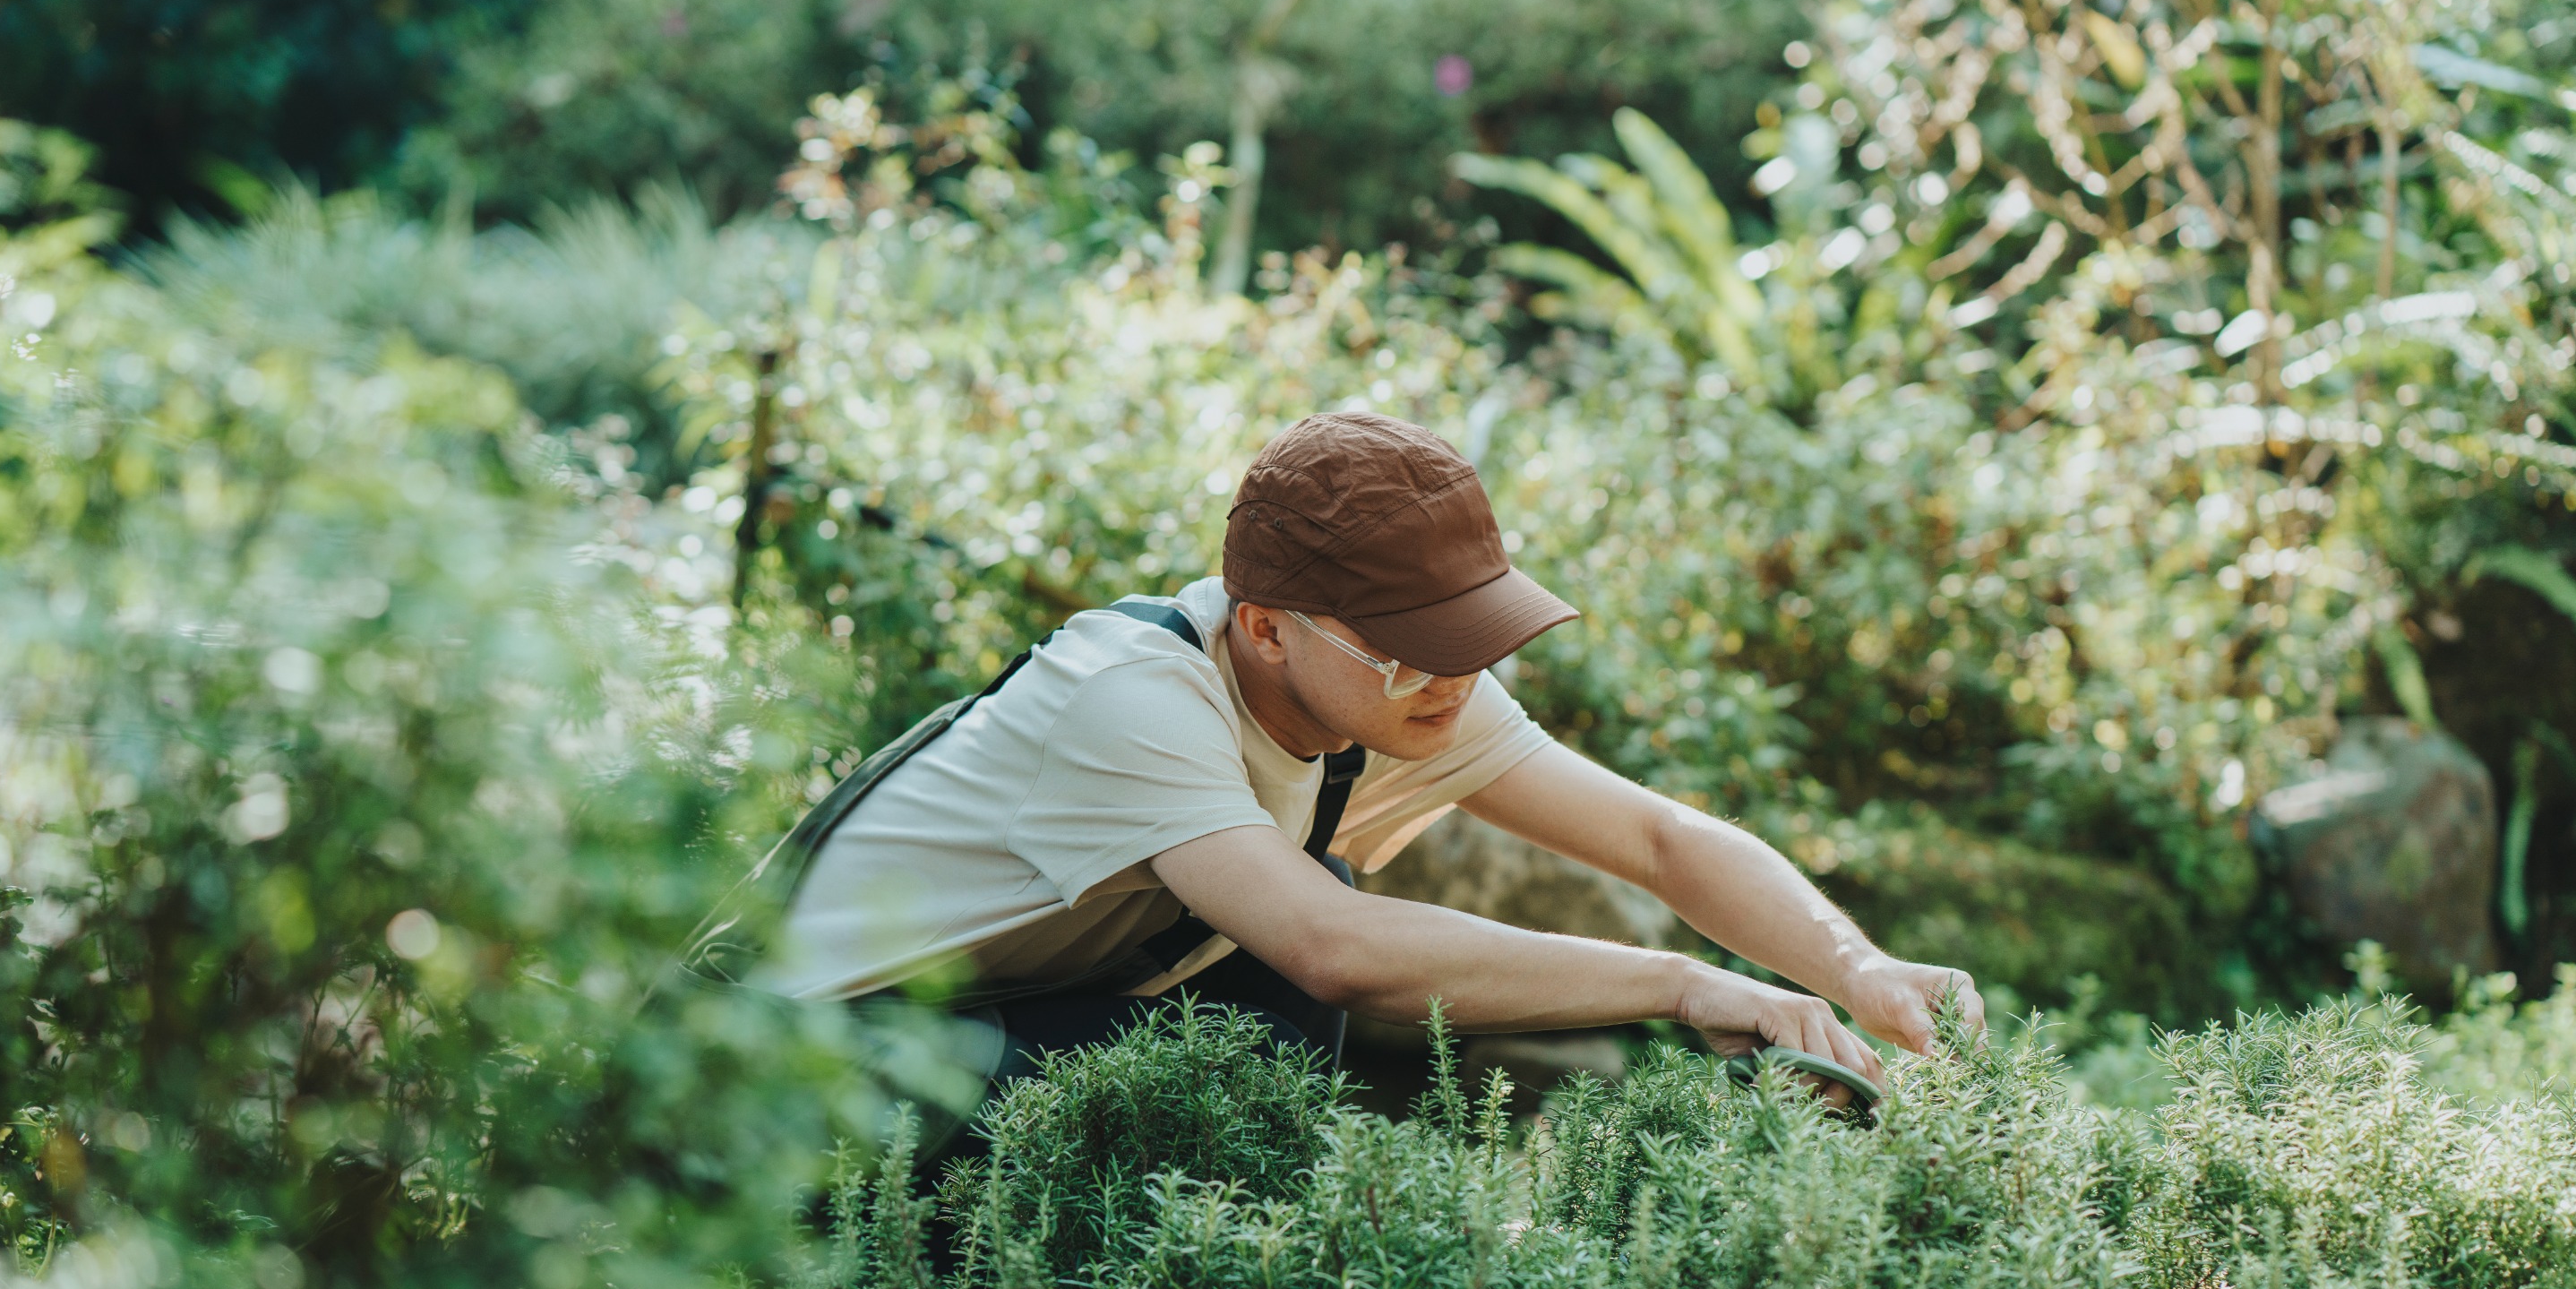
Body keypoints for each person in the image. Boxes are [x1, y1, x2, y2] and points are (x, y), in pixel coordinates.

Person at [740, 410, 1982, 1120]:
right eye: (1410, 649)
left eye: (1472, 639)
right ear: (1267, 625)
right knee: (1293, 967)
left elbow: (1660, 842)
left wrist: (1850, 965)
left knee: (1263, 1017)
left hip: (1002, 1015)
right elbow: (1331, 945)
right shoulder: (1132, 702)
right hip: (800, 1075)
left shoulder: (1410, 695)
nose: (1453, 677)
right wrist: (1680, 985)